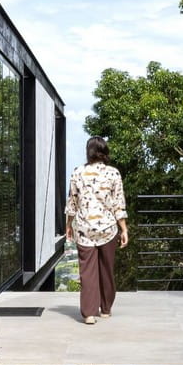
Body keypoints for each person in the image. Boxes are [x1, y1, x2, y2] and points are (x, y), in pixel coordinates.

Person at [64, 136, 128, 324]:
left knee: (87, 271)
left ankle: (89, 313)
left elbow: (72, 203)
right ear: (104, 151)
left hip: (84, 228)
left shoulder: (77, 173)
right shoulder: (113, 174)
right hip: (108, 228)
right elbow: (119, 204)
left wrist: (68, 225)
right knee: (106, 269)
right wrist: (124, 229)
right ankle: (106, 308)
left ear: (88, 152)